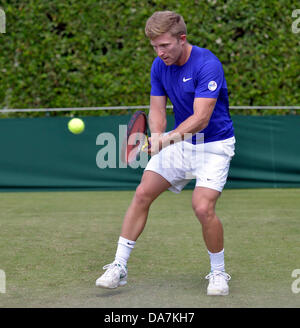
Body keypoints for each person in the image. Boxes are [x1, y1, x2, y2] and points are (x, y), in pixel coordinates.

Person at [96, 10, 235, 296]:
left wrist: (166, 138)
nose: (160, 53)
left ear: (182, 39)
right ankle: (118, 267)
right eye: (155, 47)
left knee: (202, 206)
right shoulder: (159, 67)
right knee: (143, 192)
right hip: (181, 143)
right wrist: (158, 135)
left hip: (215, 145)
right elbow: (157, 108)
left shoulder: (208, 64)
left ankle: (219, 272)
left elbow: (201, 118)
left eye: (165, 46)